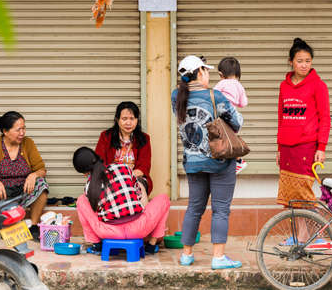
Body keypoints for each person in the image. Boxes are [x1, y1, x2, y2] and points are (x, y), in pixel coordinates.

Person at [172, 55, 243, 269]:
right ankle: (218, 257)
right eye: (207, 71)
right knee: (221, 209)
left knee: (194, 207)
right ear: (200, 72)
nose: (209, 75)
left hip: (192, 162)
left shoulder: (176, 96)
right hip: (219, 161)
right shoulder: (216, 96)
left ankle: (186, 255)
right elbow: (237, 123)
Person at [276, 38, 330, 243]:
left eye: (308, 61)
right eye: (300, 61)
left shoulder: (318, 86)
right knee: (291, 196)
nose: (304, 65)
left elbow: (325, 118)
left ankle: (316, 235)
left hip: (307, 147)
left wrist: (321, 147)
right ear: (291, 62)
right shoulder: (284, 86)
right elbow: (281, 118)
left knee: (305, 194)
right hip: (287, 149)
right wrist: (279, 148)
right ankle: (300, 235)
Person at [73, 147, 170, 254]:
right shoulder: (124, 167)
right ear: (96, 157)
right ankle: (151, 245)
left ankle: (97, 245)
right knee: (164, 199)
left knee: (81, 200)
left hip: (109, 232)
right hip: (139, 229)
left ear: (84, 173)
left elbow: (95, 211)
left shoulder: (89, 186)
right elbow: (138, 195)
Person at [0, 111, 49, 240]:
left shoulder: (28, 143)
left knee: (41, 184)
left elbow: (41, 169)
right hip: (1, 194)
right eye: (18, 130)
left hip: (23, 191)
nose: (22, 133)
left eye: (24, 128)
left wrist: (33, 175)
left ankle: (33, 226)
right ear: (5, 131)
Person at [95, 101, 152, 206]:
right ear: (117, 120)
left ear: (137, 120)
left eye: (132, 119)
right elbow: (99, 161)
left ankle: (144, 216)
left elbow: (144, 167)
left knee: (139, 186)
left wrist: (126, 178)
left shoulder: (144, 139)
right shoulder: (106, 137)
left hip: (134, 177)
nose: (128, 123)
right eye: (124, 119)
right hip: (110, 177)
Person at [214, 56, 248, 174]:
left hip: (223, 116)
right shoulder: (239, 86)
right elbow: (243, 103)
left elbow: (213, 96)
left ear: (221, 74)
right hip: (235, 117)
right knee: (231, 139)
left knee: (222, 138)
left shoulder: (221, 83)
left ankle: (226, 161)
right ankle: (239, 161)